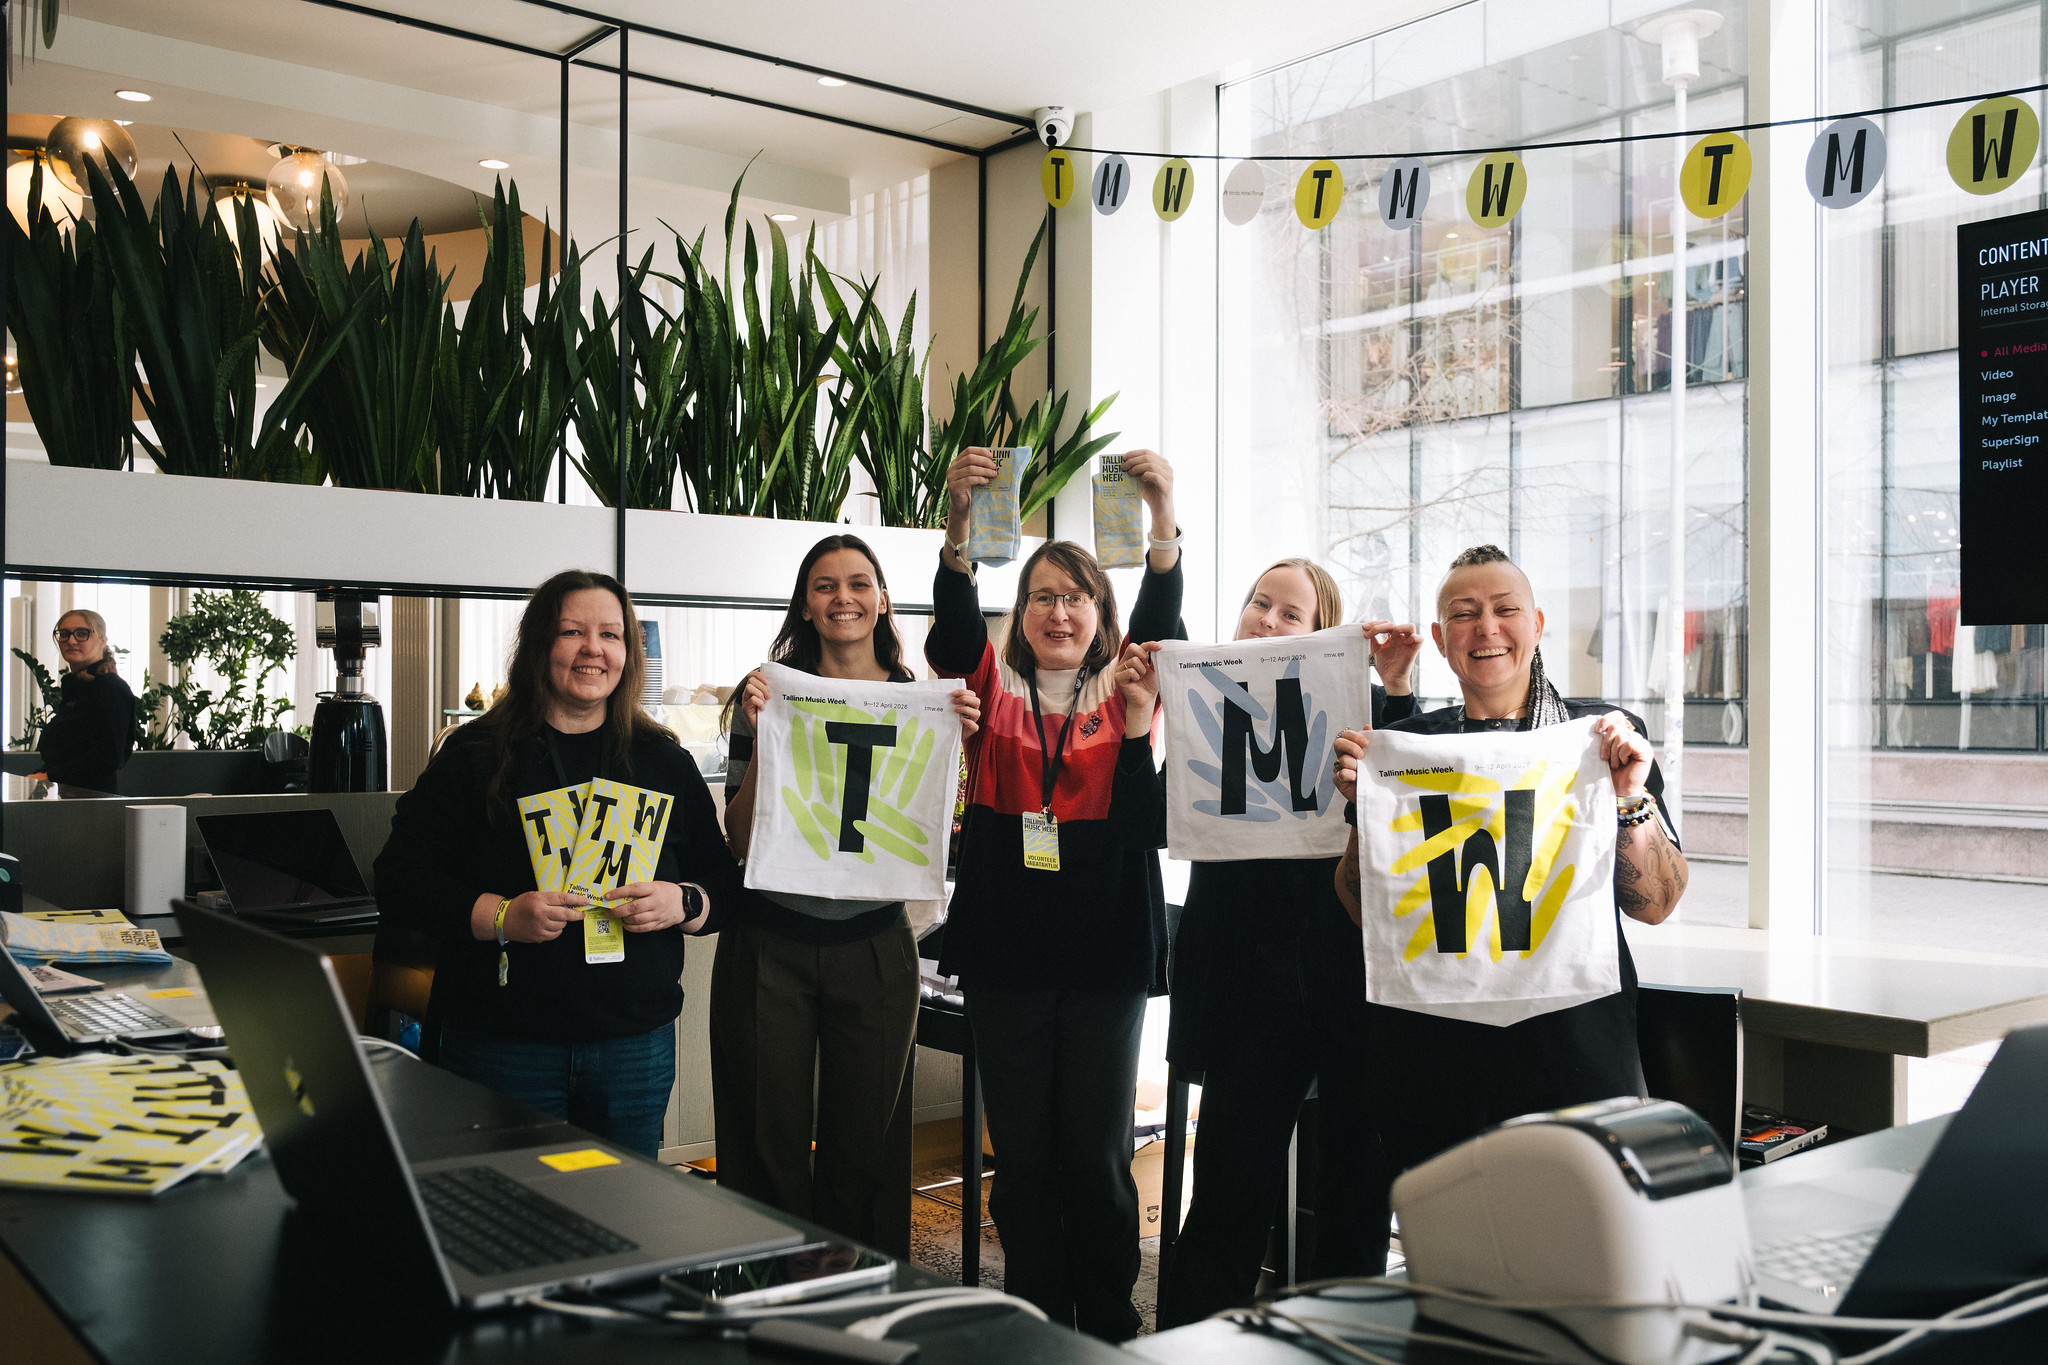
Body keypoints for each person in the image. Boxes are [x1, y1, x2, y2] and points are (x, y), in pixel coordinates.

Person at [927, 446, 1183, 1341]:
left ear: (1101, 614)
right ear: (1022, 613)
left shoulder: (1129, 692)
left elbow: (1162, 622)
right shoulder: (991, 694)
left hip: (1106, 961)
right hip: (1008, 959)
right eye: (1042, 596)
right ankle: (1037, 1322)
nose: (1060, 611)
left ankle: (1108, 1325)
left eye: (1077, 596)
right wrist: (959, 525)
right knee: (1026, 1160)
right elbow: (954, 628)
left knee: (1098, 1158)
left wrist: (1161, 518)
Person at [1332, 543, 1688, 1182]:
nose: (1486, 628)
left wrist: (1630, 796)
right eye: (1464, 614)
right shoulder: (1407, 748)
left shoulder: (1602, 737)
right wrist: (1367, 814)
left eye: (1505, 609)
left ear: (1537, 623)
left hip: (1575, 1048)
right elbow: (1363, 913)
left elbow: (1656, 904)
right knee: (1450, 1236)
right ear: (1441, 639)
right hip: (1434, 1054)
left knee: (1581, 1233)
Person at [375, 570, 738, 1158]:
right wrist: (501, 915)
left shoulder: (662, 761)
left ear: (629, 652)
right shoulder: (473, 756)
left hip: (633, 1047)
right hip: (503, 1042)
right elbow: (398, 880)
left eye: (611, 635)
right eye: (573, 632)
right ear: (539, 644)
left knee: (622, 1207)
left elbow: (724, 883)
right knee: (509, 1208)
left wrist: (682, 901)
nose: (594, 649)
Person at [1156, 560, 1424, 1328]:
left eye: (1291, 613)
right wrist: (1151, 711)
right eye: (1259, 603)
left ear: (1321, 634)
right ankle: (1191, 1349)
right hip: (1245, 984)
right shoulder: (1208, 701)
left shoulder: (1361, 707)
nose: (1268, 621)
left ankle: (1343, 1344)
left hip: (1354, 978)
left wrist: (1398, 688)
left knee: (1355, 1199)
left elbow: (1412, 798)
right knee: (1228, 1196)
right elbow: (1159, 818)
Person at [714, 533, 982, 1259]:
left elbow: (940, 824)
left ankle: (862, 1298)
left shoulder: (920, 699)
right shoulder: (767, 692)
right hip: (768, 937)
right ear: (805, 604)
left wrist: (957, 744)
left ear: (883, 600)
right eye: (825, 585)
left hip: (874, 942)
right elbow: (738, 840)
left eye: (859, 583)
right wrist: (764, 737)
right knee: (764, 1139)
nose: (844, 598)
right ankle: (765, 1294)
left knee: (866, 1148)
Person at [35, 609, 136, 792]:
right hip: (69, 796)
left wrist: (49, 776)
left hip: (92, 800)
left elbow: (107, 758)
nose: (71, 641)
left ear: (102, 640)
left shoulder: (111, 688)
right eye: (64, 634)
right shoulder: (78, 687)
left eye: (82, 634)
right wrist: (41, 775)